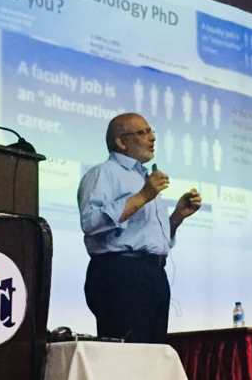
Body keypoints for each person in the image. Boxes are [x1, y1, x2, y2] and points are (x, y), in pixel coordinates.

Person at [77, 113, 202, 343]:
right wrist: (144, 195)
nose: (152, 138)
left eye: (151, 131)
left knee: (152, 358)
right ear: (121, 141)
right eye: (143, 132)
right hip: (120, 274)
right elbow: (91, 222)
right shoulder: (103, 173)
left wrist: (177, 217)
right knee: (127, 358)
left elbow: (145, 235)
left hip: (153, 275)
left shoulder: (143, 179)